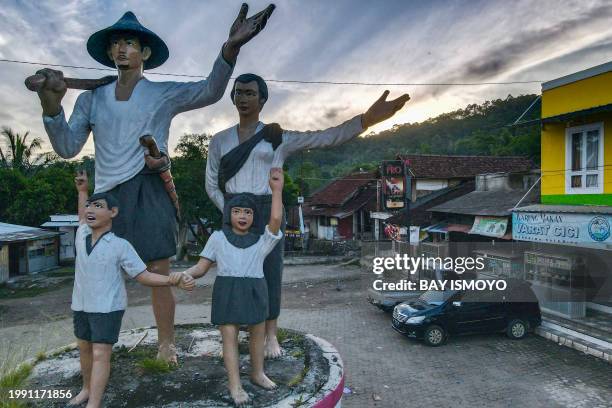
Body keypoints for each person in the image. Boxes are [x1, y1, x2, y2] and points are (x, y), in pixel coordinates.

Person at [34, 5, 274, 363]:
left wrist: (231, 47)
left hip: (149, 187)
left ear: (144, 53)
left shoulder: (162, 93)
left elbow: (209, 90)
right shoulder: (90, 98)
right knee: (101, 271)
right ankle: (103, 346)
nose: (122, 49)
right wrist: (51, 105)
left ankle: (166, 344)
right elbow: (68, 148)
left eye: (130, 43)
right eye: (116, 43)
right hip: (108, 192)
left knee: (159, 271)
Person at [205, 73, 410, 357]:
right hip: (234, 211)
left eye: (250, 93)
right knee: (233, 273)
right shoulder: (219, 140)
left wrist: (366, 120)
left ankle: (270, 335)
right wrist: (229, 212)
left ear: (262, 99)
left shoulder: (277, 138)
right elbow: (211, 182)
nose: (243, 98)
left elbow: (325, 137)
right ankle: (234, 333)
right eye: (238, 92)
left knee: (269, 273)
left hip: (268, 209)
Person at [70, 170, 194, 408]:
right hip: (81, 305)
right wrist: (83, 191)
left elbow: (144, 275)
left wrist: (171, 280)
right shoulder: (82, 234)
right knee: (84, 349)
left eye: (98, 206)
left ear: (113, 213)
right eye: (89, 206)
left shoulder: (120, 245)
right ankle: (86, 389)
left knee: (99, 353)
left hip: (107, 307)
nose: (90, 210)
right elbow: (81, 216)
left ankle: (94, 403)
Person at [181, 168, 284, 406]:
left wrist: (276, 190)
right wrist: (184, 275)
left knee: (258, 335)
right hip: (227, 291)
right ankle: (234, 384)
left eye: (248, 212)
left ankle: (257, 373)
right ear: (229, 214)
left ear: (253, 217)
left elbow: (276, 220)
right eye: (237, 211)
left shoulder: (262, 240)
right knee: (229, 337)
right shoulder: (217, 238)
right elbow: (201, 267)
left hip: (256, 290)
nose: (242, 216)